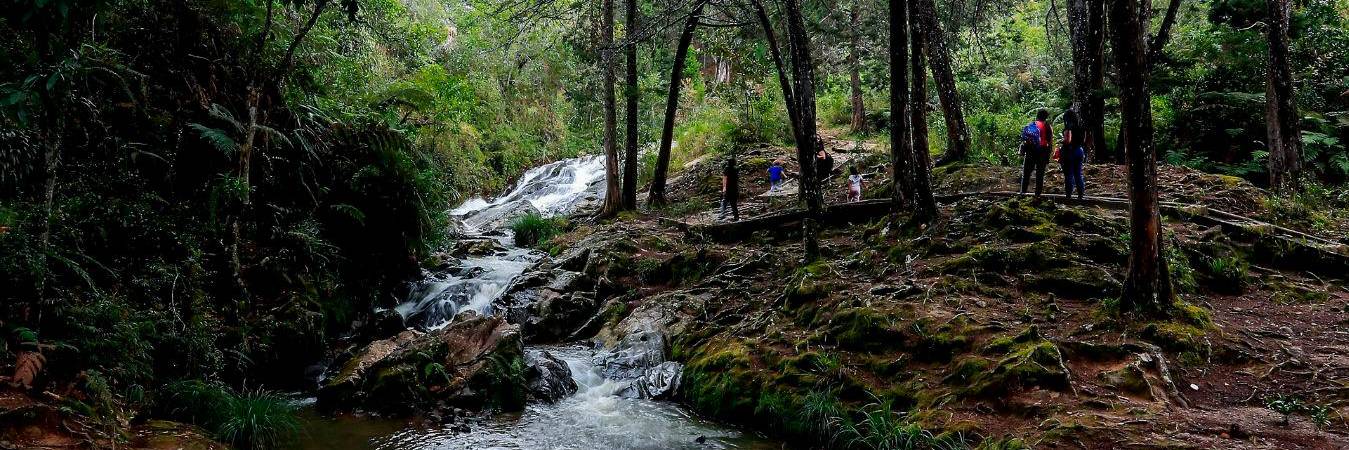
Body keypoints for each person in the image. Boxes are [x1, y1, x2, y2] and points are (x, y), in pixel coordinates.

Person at [1019, 108, 1053, 197]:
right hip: (1042, 151)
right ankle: (1037, 193)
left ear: (1037, 116)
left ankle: (1023, 192)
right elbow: (1050, 141)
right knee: (1040, 173)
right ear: (1046, 117)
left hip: (1030, 150)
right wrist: (1049, 154)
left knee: (1026, 172)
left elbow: (1025, 139)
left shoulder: (1031, 125)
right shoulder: (1047, 126)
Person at [1061, 109, 1087, 199]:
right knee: (1078, 173)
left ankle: (1068, 195)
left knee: (1069, 174)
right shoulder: (1081, 127)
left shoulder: (1068, 127)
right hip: (1079, 150)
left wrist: (1062, 141)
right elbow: (1084, 140)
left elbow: (1068, 140)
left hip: (1069, 151)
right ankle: (1080, 194)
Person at [718, 156, 740, 221]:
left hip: (728, 189)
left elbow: (725, 179)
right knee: (733, 204)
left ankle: (722, 215)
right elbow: (736, 180)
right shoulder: (735, 169)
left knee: (724, 202)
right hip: (734, 189)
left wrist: (724, 188)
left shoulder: (727, 169)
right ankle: (736, 217)